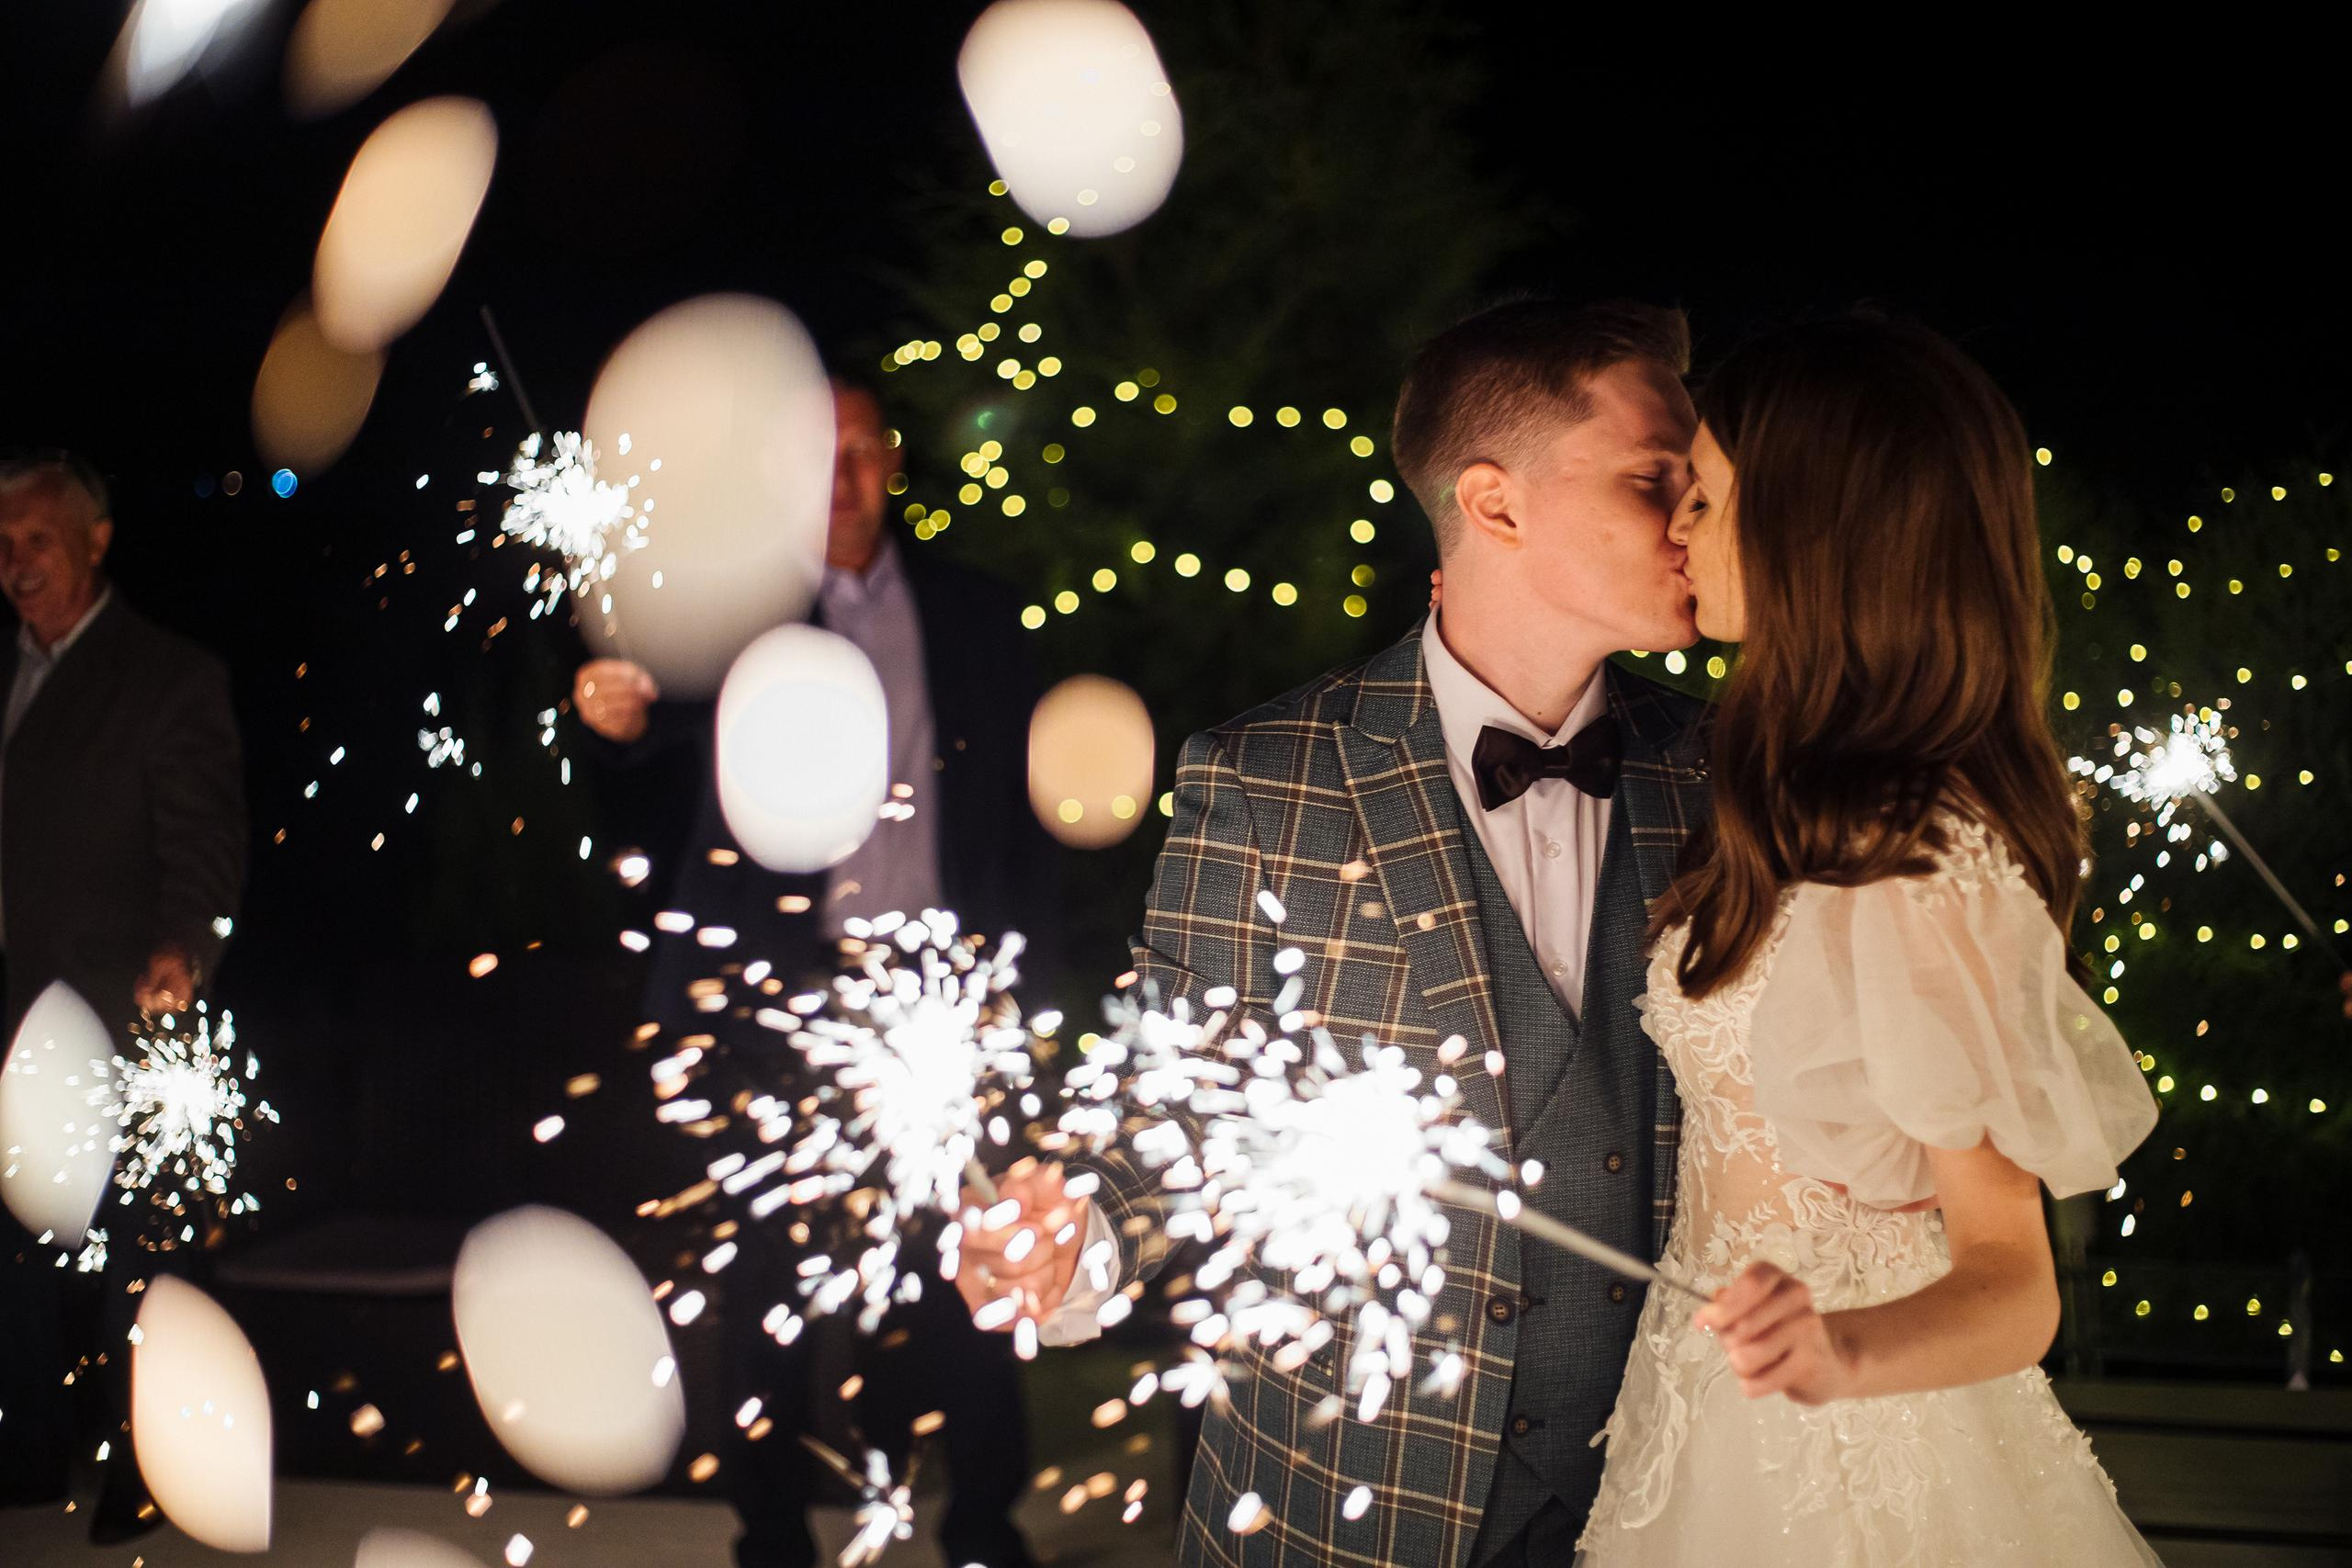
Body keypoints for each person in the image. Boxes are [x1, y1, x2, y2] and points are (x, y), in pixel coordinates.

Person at [960, 299, 1715, 1566]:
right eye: (1654, 478)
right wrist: (1072, 1236)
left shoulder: (1724, 771)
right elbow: (1176, 1100)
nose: (1693, 514)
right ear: (1495, 504)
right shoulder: (1267, 780)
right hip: (1344, 1506)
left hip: (1672, 1503)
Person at [1574, 314, 2159, 1562]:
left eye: (1708, 496)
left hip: (1852, 1437)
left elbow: (2014, 1279)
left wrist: (1842, 1352)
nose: (1680, 527)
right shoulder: (1776, 801)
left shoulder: (1918, 852)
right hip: (1694, 1394)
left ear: (1814, 528)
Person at [571, 381, 1046, 1568]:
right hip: (776, 1008)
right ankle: (771, 1536)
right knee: (769, 1282)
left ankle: (984, 1527)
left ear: (893, 463)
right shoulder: (735, 618)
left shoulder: (976, 612)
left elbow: (1017, 810)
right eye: (817, 458)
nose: (842, 481)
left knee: (972, 1261)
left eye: (862, 452)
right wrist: (611, 721)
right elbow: (647, 743)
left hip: (939, 999)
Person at [0, 453, 246, 1542]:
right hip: (13, 1005)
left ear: (96, 541)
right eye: (1, 547)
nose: (15, 565)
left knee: (138, 1253)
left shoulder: (165, 676)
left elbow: (205, 841)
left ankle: (148, 1465)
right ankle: (25, 1449)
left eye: (37, 541)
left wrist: (184, 949)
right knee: (14, 1247)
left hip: (122, 1006)